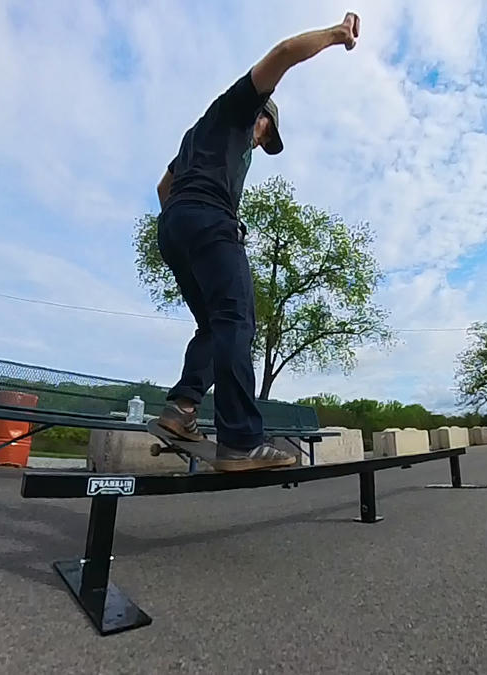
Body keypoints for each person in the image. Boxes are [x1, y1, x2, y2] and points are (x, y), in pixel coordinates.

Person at [153, 12, 360, 471]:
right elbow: (285, 54)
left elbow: (163, 189)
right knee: (237, 321)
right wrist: (335, 35)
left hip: (174, 228)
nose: (261, 143)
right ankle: (240, 441)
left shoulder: (195, 139)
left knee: (213, 324)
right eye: (266, 133)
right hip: (209, 222)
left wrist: (184, 219)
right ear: (263, 116)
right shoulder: (237, 108)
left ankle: (181, 408)